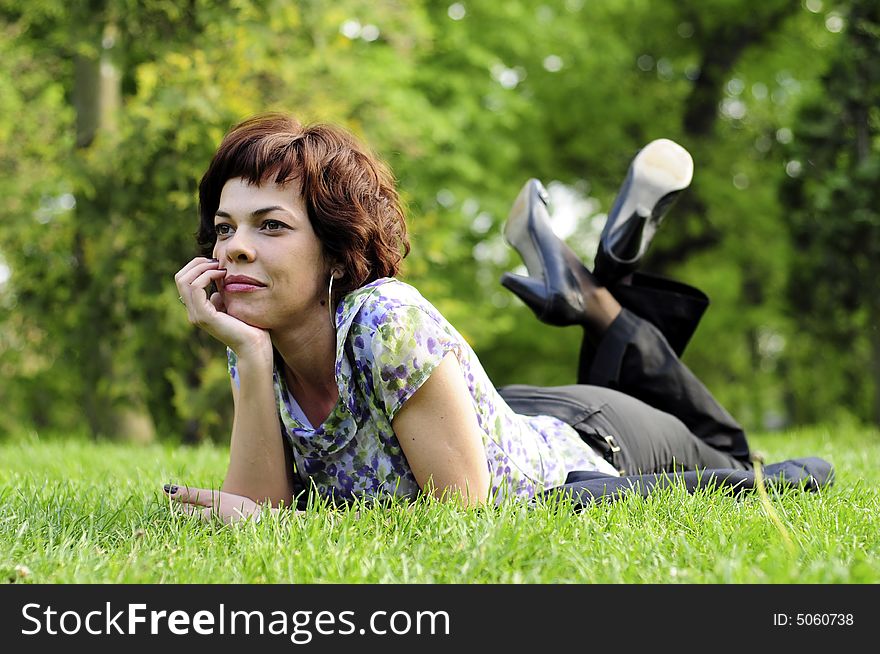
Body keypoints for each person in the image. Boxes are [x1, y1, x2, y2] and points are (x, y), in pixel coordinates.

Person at [167, 114, 831, 523]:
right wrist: (251, 358)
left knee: (739, 460)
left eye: (270, 225)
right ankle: (588, 295)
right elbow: (258, 512)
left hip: (595, 441)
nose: (233, 248)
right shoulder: (256, 341)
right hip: (512, 414)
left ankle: (599, 299)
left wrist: (282, 530)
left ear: (337, 250)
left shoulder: (384, 320)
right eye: (224, 228)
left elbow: (459, 513)